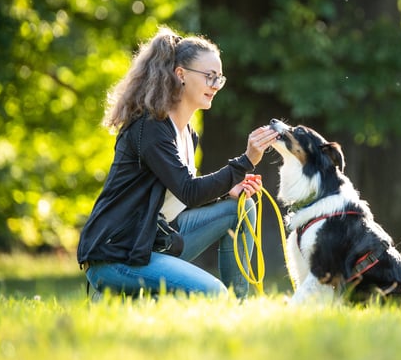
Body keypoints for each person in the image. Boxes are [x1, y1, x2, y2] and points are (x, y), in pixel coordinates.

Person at [76, 26, 279, 299]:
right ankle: (122, 294)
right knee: (214, 294)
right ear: (180, 75)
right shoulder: (151, 128)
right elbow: (188, 190)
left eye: (219, 79)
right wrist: (245, 162)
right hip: (117, 256)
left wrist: (227, 190)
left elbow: (177, 197)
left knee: (240, 208)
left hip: (149, 243)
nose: (215, 86)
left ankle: (241, 309)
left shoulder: (186, 134)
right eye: (209, 77)